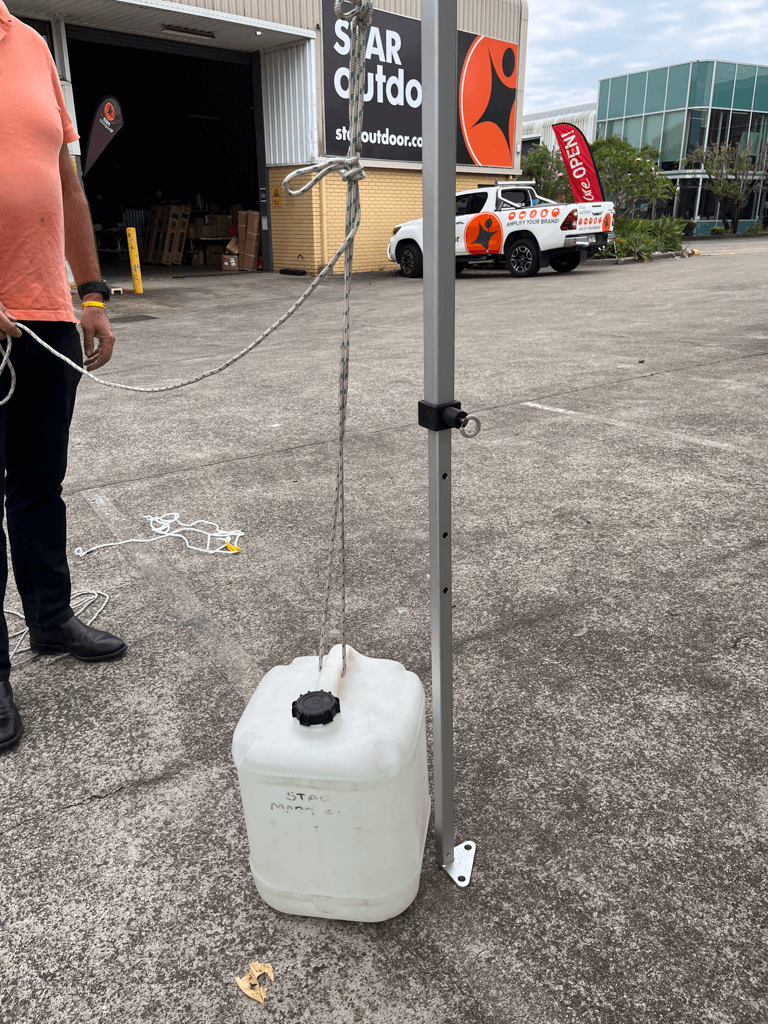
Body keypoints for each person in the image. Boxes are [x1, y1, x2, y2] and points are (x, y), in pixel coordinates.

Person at [0, 2, 126, 754]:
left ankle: (49, 620)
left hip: (45, 315)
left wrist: (92, 295)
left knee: (40, 482)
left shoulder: (35, 49)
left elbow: (68, 184)